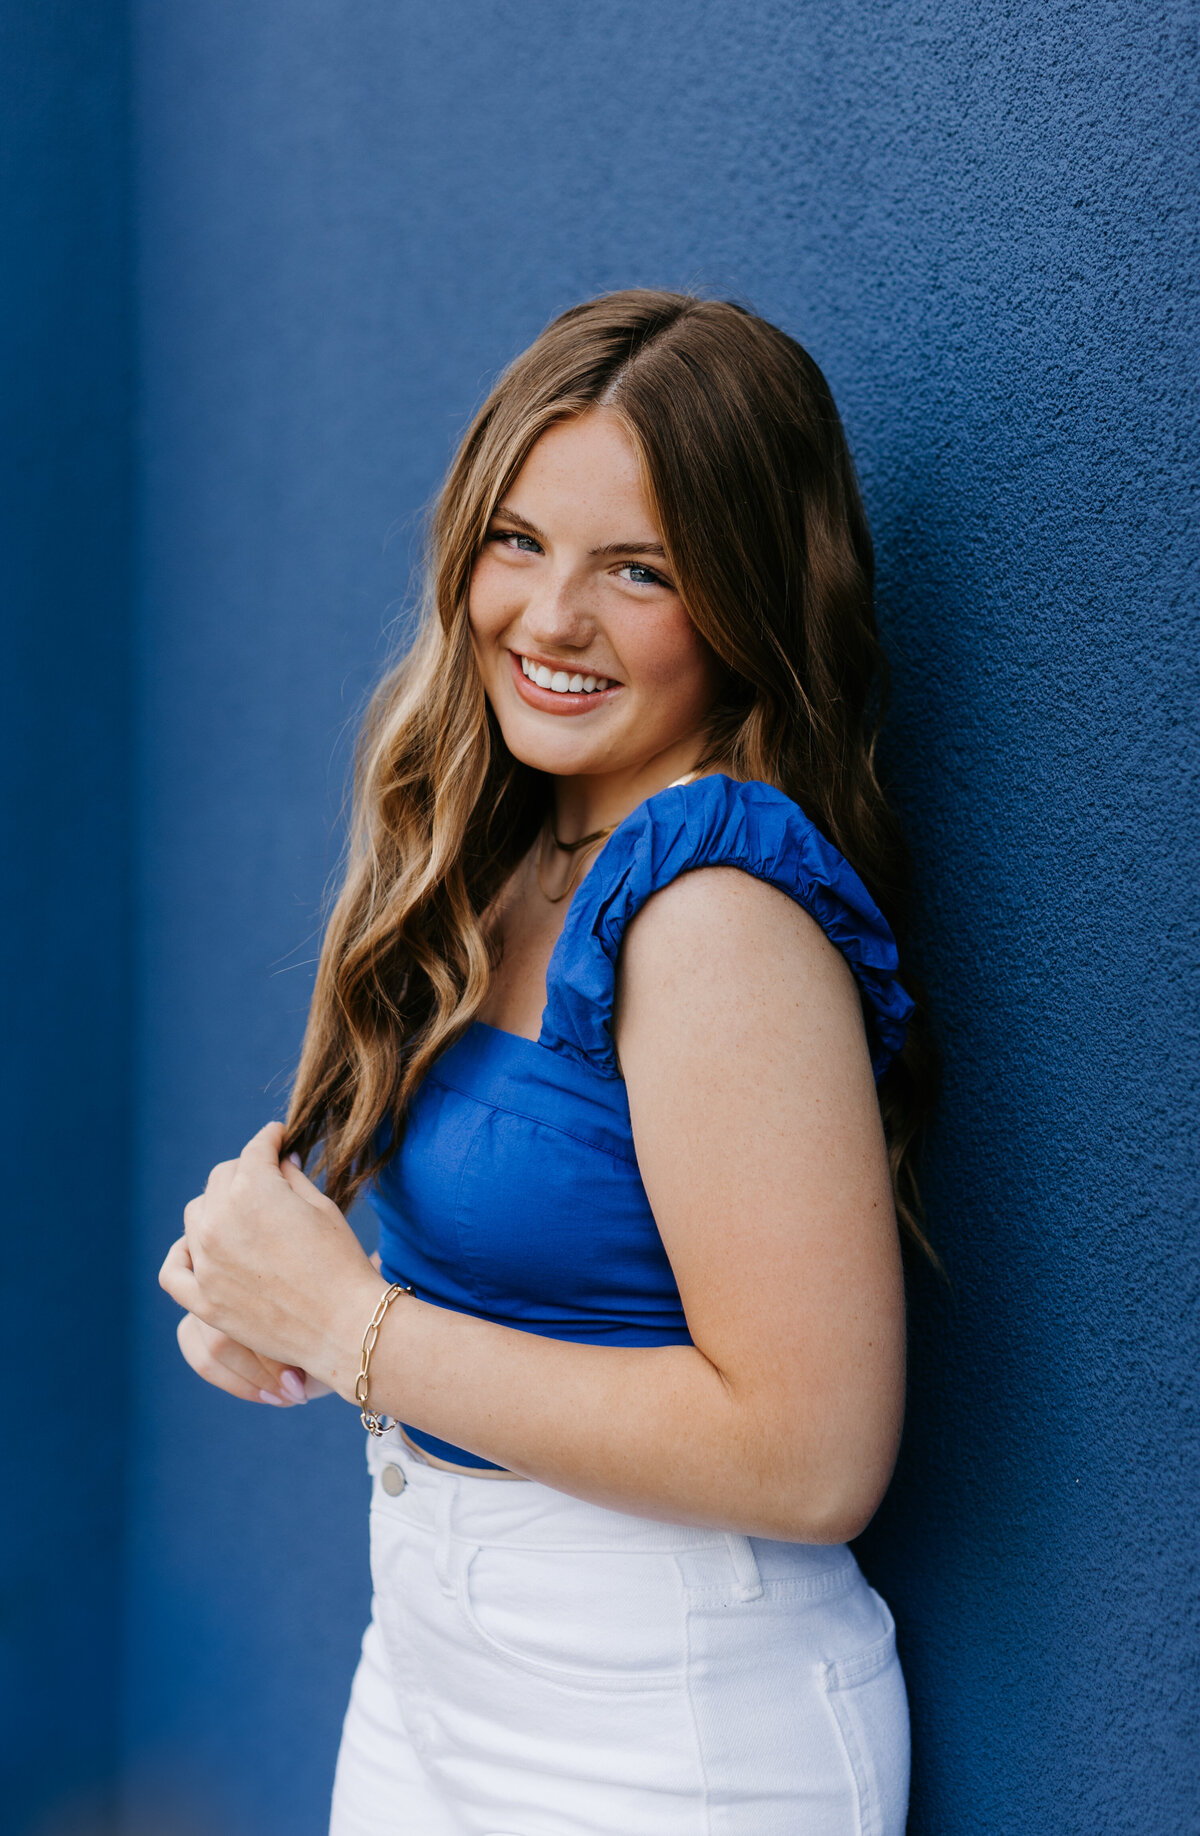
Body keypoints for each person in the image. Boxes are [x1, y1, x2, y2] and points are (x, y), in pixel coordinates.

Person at [159, 288, 937, 1835]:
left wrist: (351, 1321)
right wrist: (258, 1297)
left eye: (637, 571)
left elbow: (812, 1455)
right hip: (434, 1678)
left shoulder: (716, 909)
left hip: (667, 1733)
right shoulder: (511, 846)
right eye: (518, 542)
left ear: (747, 600)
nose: (550, 617)